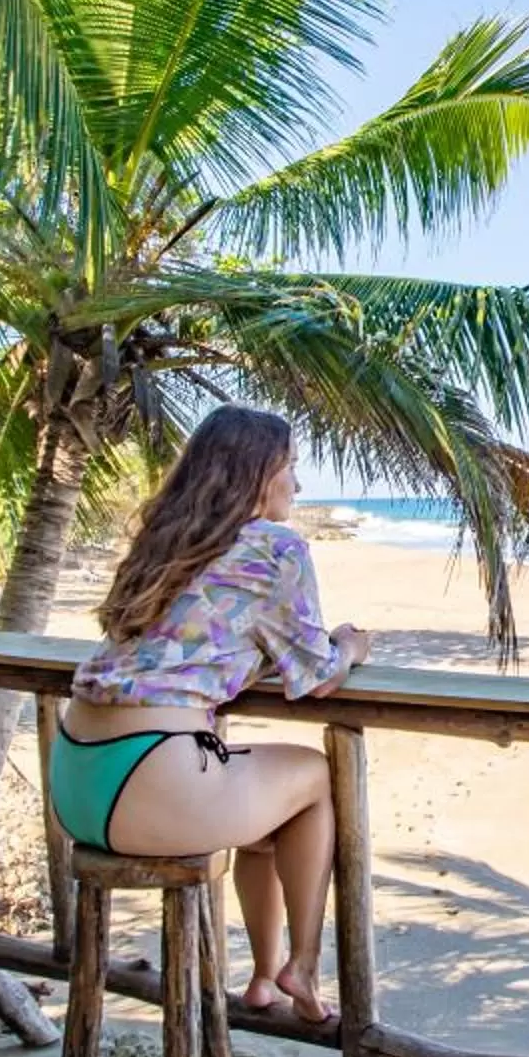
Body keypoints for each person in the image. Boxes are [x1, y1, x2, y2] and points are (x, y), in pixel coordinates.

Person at [54, 407, 371, 1023]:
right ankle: (301, 967)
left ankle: (261, 977)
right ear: (257, 474)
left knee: (266, 808)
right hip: (149, 779)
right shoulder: (277, 547)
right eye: (291, 468)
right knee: (313, 777)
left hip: (76, 783)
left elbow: (187, 642)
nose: (297, 486)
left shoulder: (166, 545)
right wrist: (352, 646)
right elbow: (317, 675)